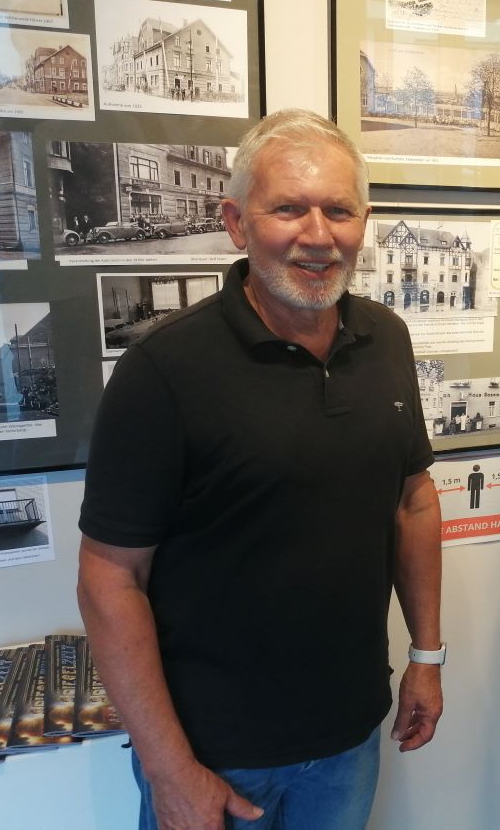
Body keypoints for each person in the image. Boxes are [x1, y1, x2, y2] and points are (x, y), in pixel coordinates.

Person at [76, 109, 444, 830]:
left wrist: (427, 654)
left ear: (362, 221)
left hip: (349, 737)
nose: (317, 234)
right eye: (288, 208)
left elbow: (413, 503)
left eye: (338, 210)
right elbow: (109, 577)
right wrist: (167, 767)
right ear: (237, 222)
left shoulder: (387, 341)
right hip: (213, 752)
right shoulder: (165, 371)